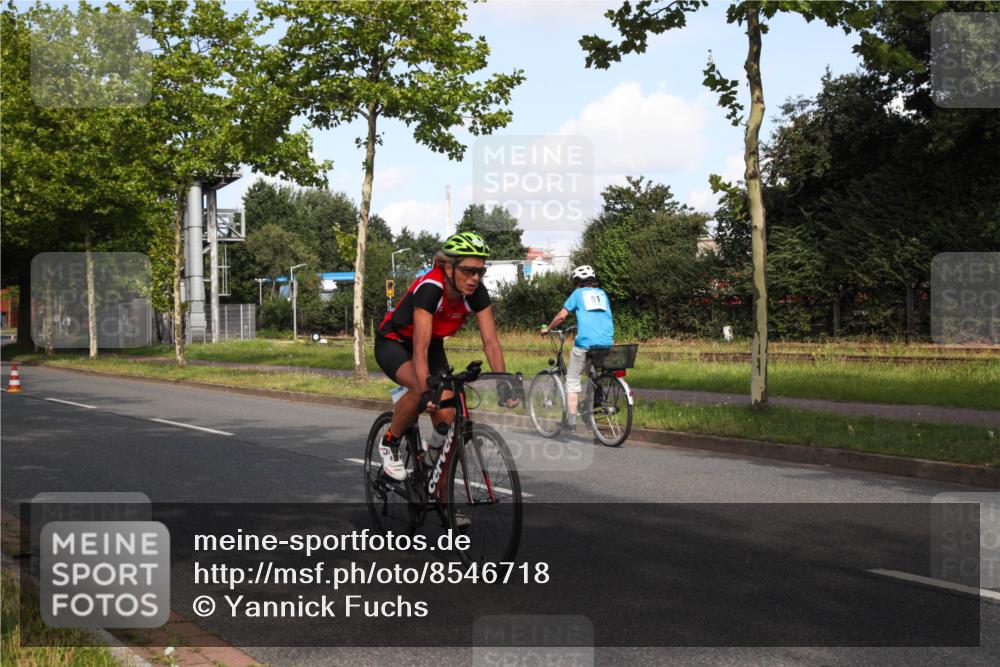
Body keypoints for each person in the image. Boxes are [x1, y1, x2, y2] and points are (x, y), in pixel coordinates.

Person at [375, 231, 519, 481]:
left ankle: (442, 494)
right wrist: (427, 387)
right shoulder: (431, 288)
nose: (475, 278)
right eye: (468, 270)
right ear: (447, 266)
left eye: (480, 272)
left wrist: (503, 382)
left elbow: (491, 342)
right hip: (394, 343)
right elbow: (419, 347)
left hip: (433, 346)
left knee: (449, 417)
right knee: (422, 391)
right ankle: (390, 441)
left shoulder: (477, 293)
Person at [541, 265, 614, 428]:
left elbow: (561, 316)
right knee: (592, 372)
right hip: (606, 343)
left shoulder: (578, 293)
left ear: (578, 282)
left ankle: (571, 422)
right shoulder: (603, 294)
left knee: (572, 380)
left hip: (585, 343)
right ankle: (595, 402)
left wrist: (548, 329)